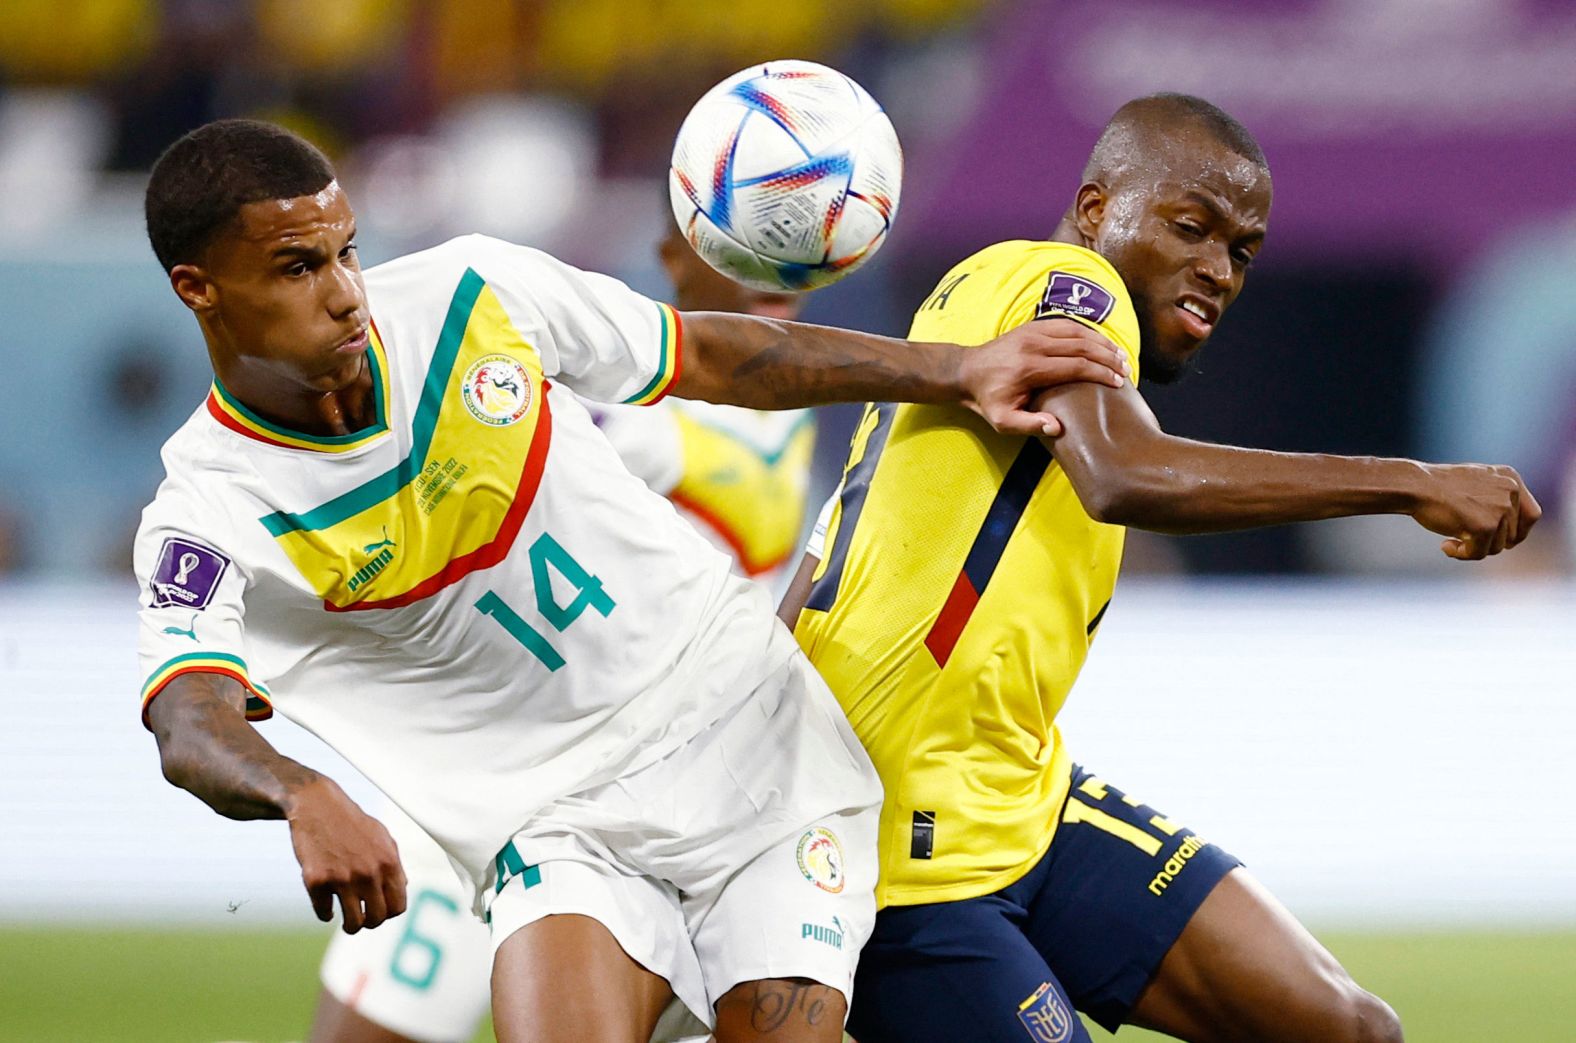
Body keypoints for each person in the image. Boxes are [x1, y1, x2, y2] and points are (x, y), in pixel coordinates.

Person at [133, 119, 1128, 1043]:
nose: (347, 290)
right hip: (551, 822)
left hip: (750, 742)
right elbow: (189, 719)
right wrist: (299, 790)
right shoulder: (209, 507)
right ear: (197, 288)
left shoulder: (469, 294)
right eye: (299, 267)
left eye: (347, 249)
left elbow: (709, 353)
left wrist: (953, 369)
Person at [781, 93, 1539, 1043]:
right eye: (1190, 228)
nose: (1217, 270)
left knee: (1349, 1027)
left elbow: (824, 571)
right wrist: (1411, 481)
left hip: (1020, 802)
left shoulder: (984, 309)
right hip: (902, 853)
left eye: (1241, 251)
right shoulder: (1065, 282)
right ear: (1097, 209)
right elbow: (1121, 474)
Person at [310, 217, 822, 1043]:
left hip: (671, 797)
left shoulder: (790, 411)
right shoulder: (617, 400)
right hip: (505, 780)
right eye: (738, 243)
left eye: (791, 251)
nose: (774, 269)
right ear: (671, 261)